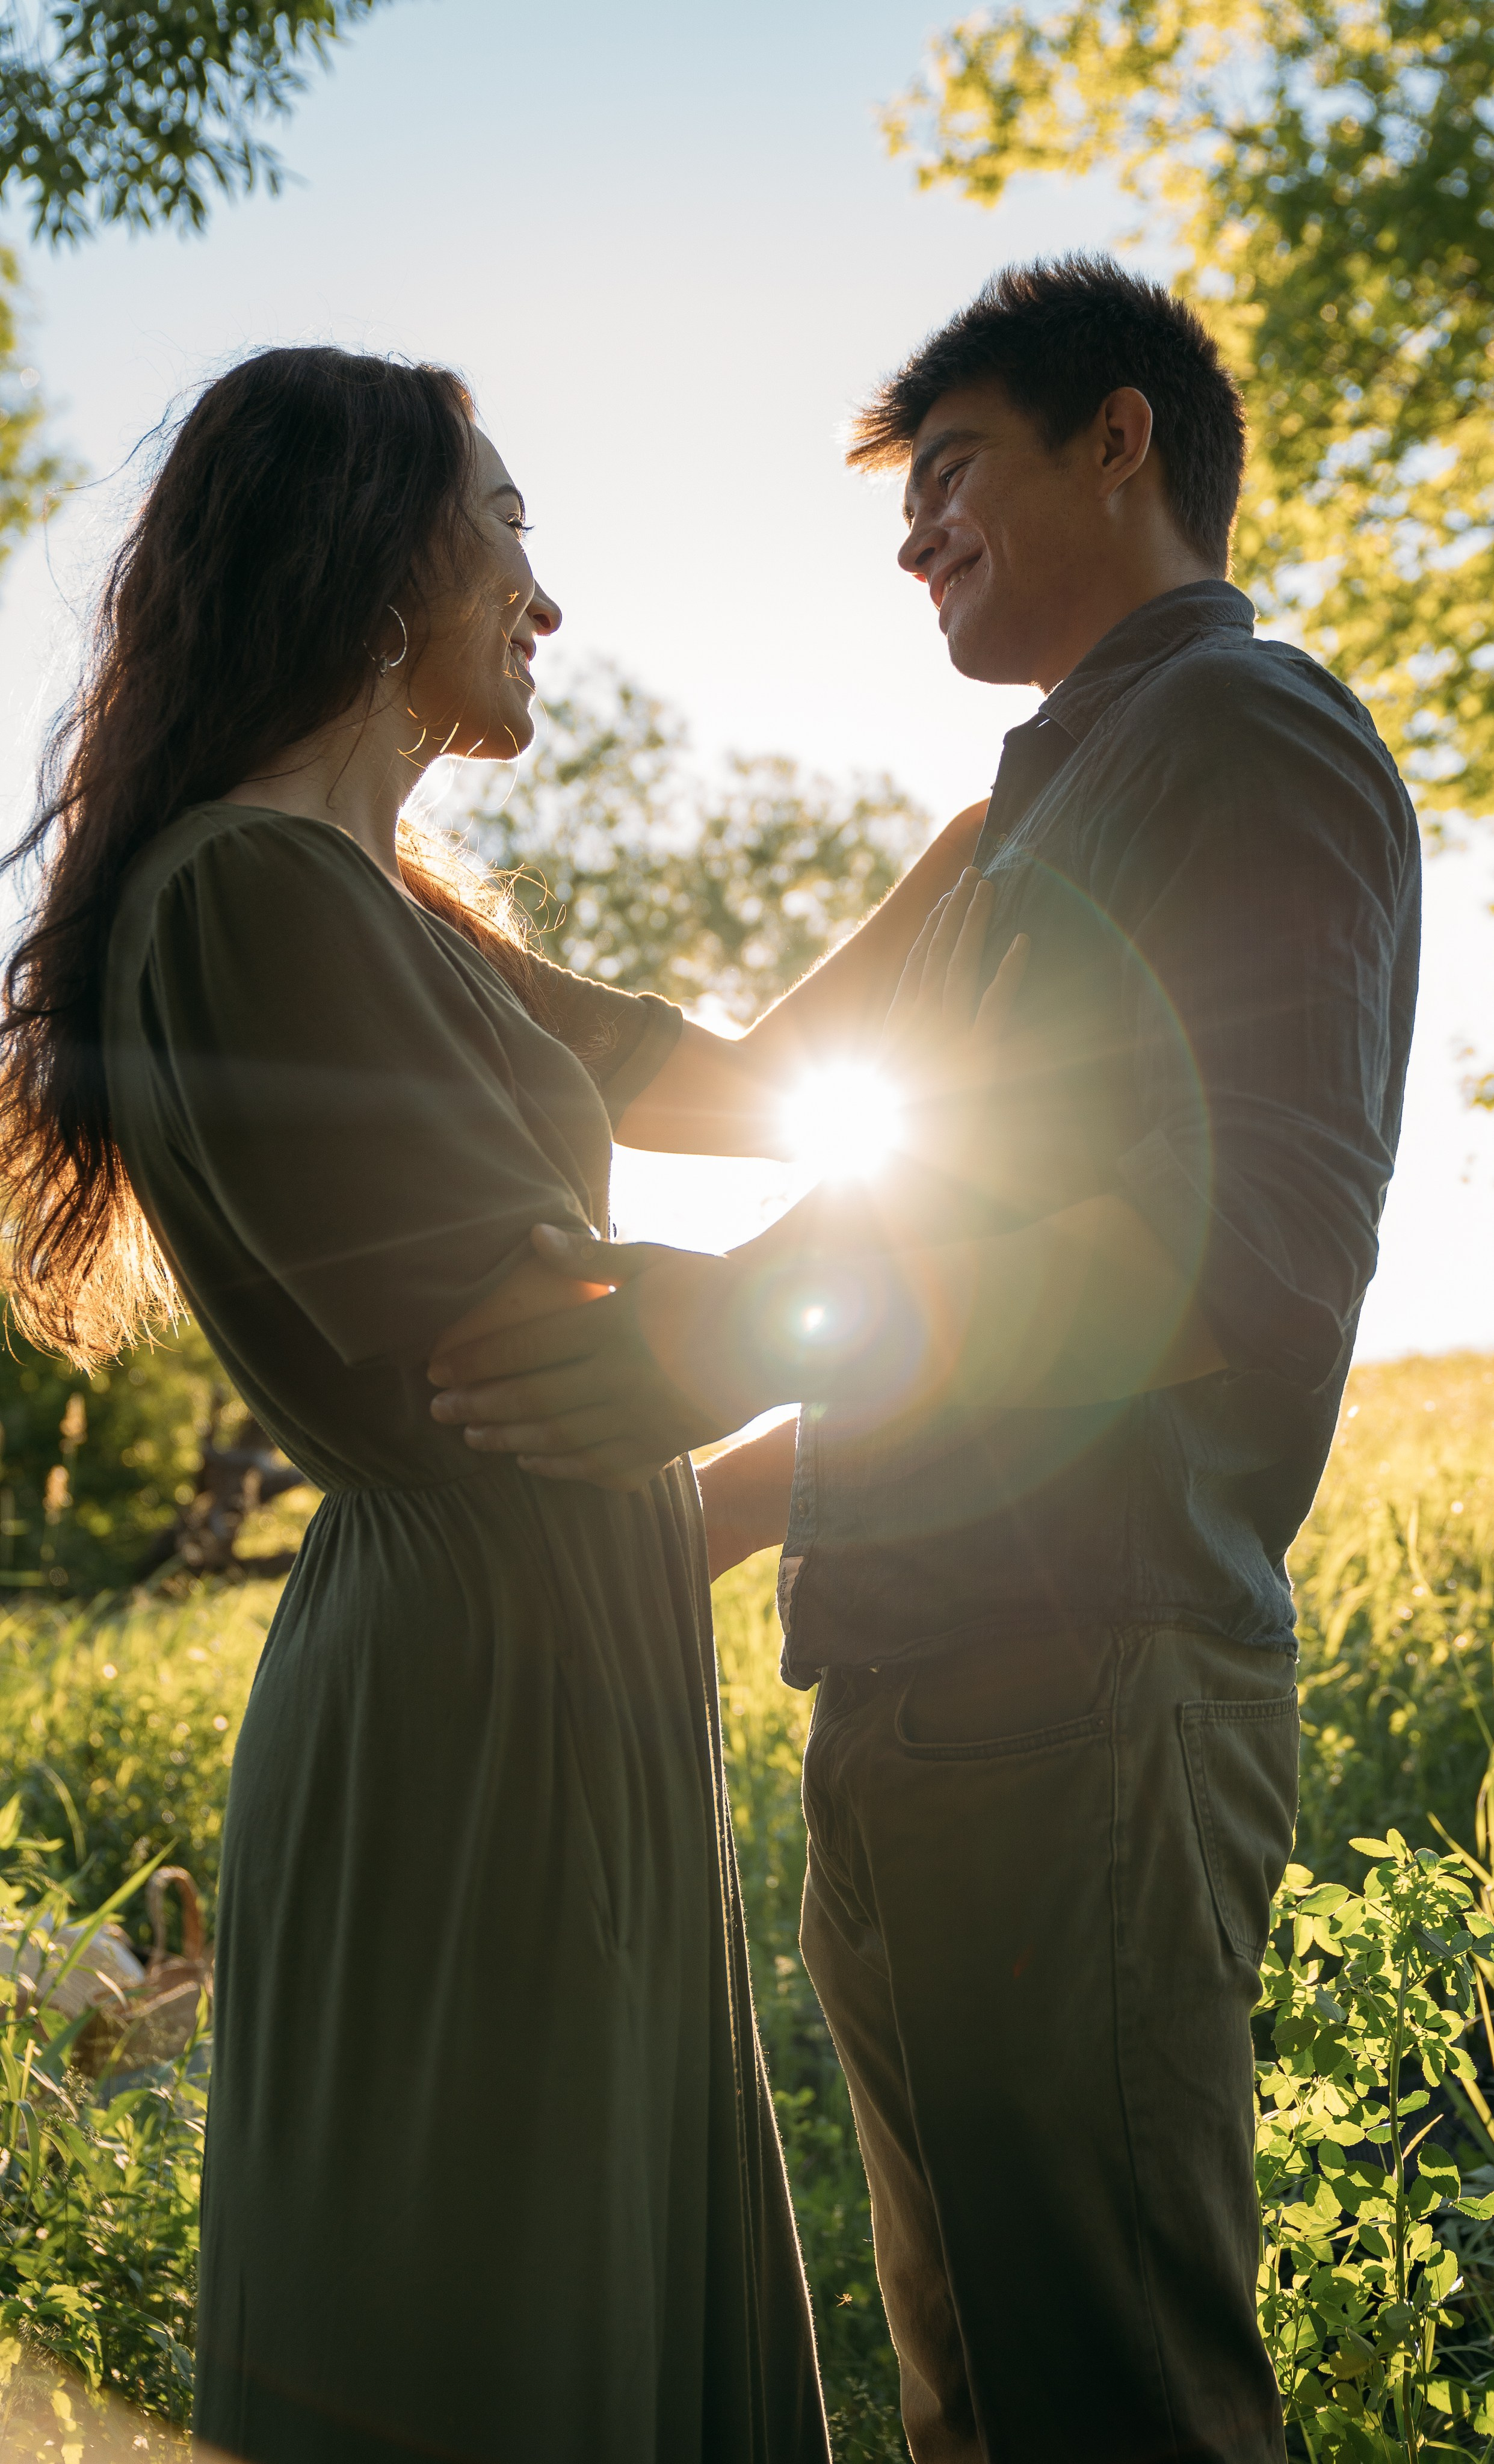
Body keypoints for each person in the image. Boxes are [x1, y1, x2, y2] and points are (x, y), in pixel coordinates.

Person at [428, 258, 1422, 2463]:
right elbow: (894, 1204)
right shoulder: (1026, 817)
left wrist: (716, 1331)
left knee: (1111, 2402)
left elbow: (1236, 1249)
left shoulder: (1240, 735)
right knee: (972, 2392)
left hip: (1078, 1687)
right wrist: (715, 1502)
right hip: (918, 1690)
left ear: (1120, 440)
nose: (911, 542)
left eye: (950, 472)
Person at [0, 343, 996, 2463]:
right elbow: (557, 1345)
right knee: (503, 2322)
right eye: (510, 530)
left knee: (602, 2293)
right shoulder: (253, 897)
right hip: (469, 1706)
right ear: (379, 562)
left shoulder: (398, 915)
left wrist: (997, 853)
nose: (546, 598)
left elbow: (760, 1094)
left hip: (576, 1660)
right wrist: (995, 1253)